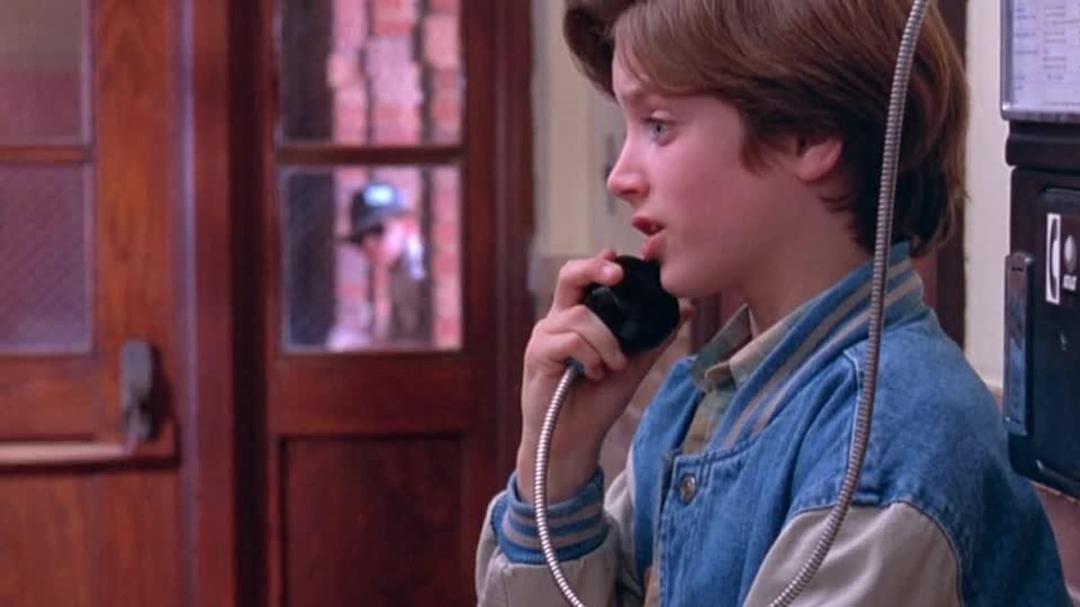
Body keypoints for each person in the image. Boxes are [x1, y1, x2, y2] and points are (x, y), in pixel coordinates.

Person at [476, 1, 1070, 605]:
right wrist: (558, 465)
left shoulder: (889, 441)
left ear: (807, 133)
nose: (620, 176)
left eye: (657, 126)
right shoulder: (697, 402)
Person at [328, 182, 430, 348]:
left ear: (408, 224)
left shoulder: (425, 270)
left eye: (378, 230)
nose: (369, 244)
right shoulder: (398, 271)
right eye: (360, 239)